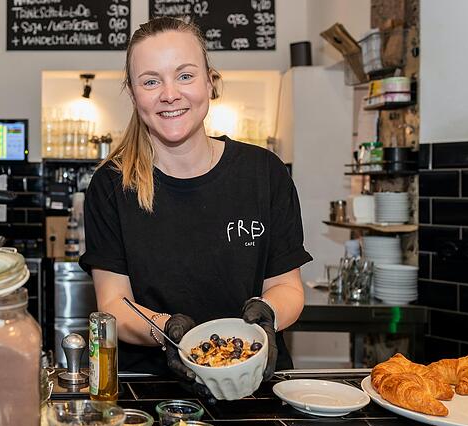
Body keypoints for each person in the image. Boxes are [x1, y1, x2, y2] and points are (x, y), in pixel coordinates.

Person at [79, 17, 312, 399]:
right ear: (135, 94)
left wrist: (264, 319)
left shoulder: (263, 172)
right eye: (151, 81)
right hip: (154, 390)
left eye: (184, 75)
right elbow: (113, 304)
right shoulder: (112, 185)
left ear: (210, 82)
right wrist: (168, 330)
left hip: (256, 386)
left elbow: (287, 287)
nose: (169, 94)